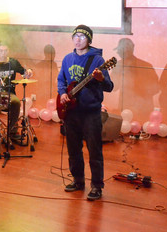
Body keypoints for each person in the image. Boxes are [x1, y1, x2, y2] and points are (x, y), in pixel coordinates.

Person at [57, 24, 113, 201]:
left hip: (91, 113)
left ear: (89, 40)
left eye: (82, 36)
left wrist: (101, 78)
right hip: (71, 112)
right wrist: (63, 93)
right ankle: (78, 180)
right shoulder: (67, 59)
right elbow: (61, 80)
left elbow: (109, 87)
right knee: (73, 149)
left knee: (94, 150)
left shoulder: (97, 60)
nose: (78, 39)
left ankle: (96, 186)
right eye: (76, 36)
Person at [0, 41, 33, 143]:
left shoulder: (13, 62)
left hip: (10, 93)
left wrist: (29, 71)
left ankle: (12, 132)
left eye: (5, 51)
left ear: (8, 51)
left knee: (16, 102)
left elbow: (25, 73)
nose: (3, 53)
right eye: (1, 51)